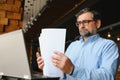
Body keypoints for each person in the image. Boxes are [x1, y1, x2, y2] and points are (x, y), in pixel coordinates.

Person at [36, 8, 119, 80]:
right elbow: (63, 74)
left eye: (85, 22)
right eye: (79, 23)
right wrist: (48, 68)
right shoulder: (72, 46)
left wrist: (73, 70)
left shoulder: (108, 46)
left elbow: (107, 76)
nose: (81, 26)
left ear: (97, 23)